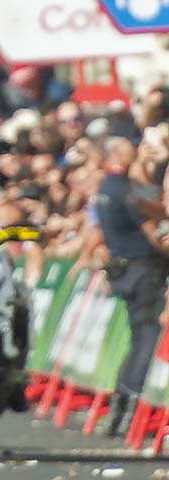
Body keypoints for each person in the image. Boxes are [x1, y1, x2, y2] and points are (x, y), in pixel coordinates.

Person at [94, 133, 169, 437]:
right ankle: (132, 403)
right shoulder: (129, 189)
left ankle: (121, 404)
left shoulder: (105, 187)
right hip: (143, 268)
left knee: (138, 337)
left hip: (124, 269)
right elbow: (155, 232)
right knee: (147, 338)